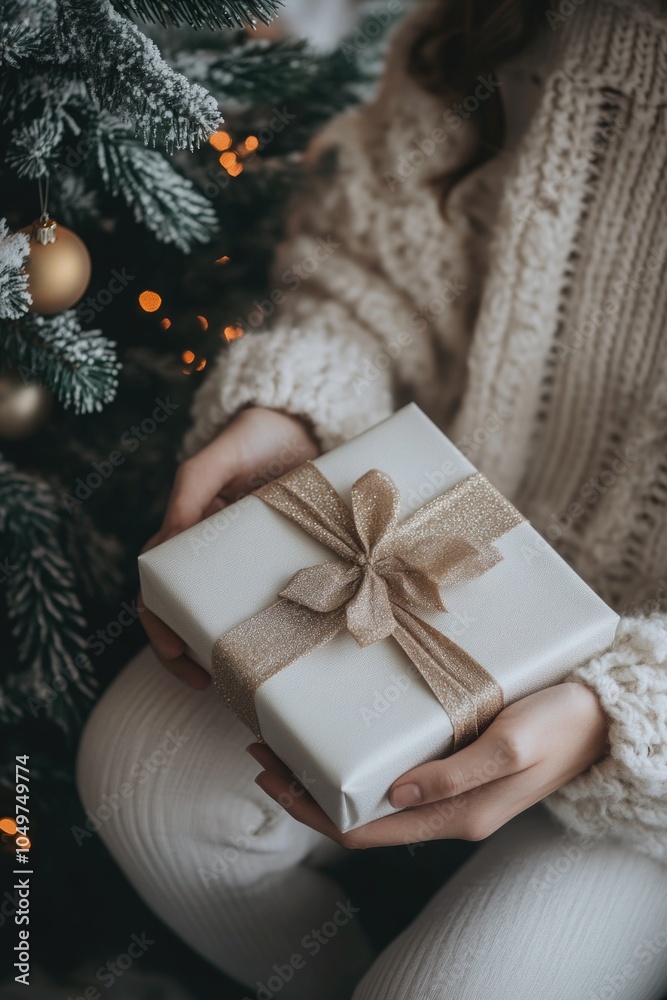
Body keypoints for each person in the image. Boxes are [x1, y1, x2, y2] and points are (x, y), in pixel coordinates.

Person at [76, 1, 667, 997]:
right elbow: (375, 280)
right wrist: (300, 407)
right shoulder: (503, 22)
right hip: (425, 552)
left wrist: (620, 717)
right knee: (143, 782)